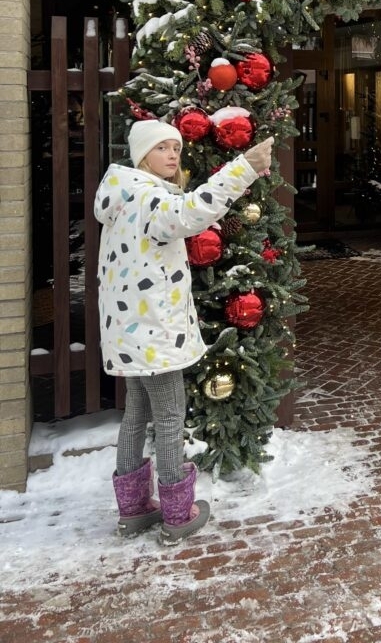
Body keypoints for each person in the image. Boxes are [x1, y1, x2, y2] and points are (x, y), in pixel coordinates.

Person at [94, 118, 274, 543]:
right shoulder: (148, 198)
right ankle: (177, 513)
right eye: (162, 148)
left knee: (136, 413)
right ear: (142, 155)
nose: (173, 154)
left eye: (176, 147)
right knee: (171, 416)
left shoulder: (122, 195)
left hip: (131, 333)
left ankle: (133, 509)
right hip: (156, 333)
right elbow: (193, 212)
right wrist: (244, 167)